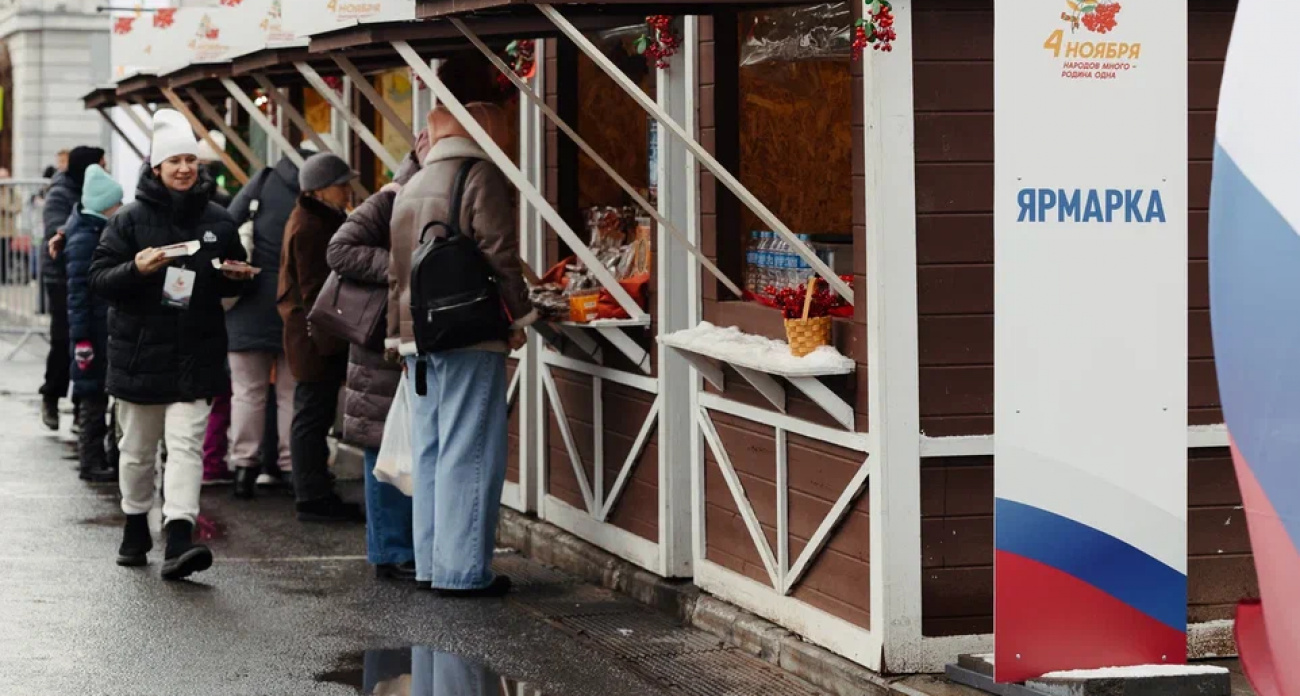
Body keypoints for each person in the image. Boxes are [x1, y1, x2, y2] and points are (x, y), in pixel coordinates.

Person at [89, 109, 254, 580]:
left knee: (185, 447)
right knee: (137, 451)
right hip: (139, 356)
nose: (184, 168)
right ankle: (135, 523)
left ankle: (179, 536)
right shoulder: (128, 221)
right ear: (156, 168)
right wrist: (135, 270)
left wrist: (236, 278)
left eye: (190, 160)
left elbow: (230, 275)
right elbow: (98, 279)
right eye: (174, 161)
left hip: (195, 353)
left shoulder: (220, 220)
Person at [388, 103, 535, 596]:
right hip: (467, 331)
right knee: (469, 450)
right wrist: (522, 316)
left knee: (430, 450)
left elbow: (395, 275)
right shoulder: (479, 176)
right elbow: (501, 256)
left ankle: (432, 563)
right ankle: (463, 571)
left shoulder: (411, 184)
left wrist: (397, 339)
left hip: (418, 338)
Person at [327, 136, 428, 581]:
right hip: (375, 346)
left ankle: (399, 547)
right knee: (381, 444)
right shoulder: (390, 197)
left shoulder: (431, 190)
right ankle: (389, 549)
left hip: (403, 337)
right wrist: (399, 266)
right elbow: (339, 249)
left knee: (400, 443)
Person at [278, 152, 362, 522]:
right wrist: (332, 339)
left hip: (313, 334)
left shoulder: (316, 218)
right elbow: (315, 290)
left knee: (313, 413)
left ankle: (313, 489)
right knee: (312, 414)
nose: (347, 191)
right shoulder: (312, 225)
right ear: (320, 190)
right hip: (316, 337)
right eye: (341, 185)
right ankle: (312, 496)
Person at [224, 150, 309, 497]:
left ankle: (244, 467)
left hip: (249, 304)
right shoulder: (314, 191)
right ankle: (291, 468)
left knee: (247, 392)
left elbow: (229, 223)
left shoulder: (261, 181)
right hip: (296, 305)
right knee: (291, 393)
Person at [40, 146, 105, 431]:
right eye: (101, 164)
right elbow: (56, 229)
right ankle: (51, 396)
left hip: (89, 271)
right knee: (63, 338)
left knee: (87, 341)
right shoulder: (60, 193)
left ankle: (82, 406)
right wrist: (82, 223)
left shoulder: (96, 188)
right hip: (61, 276)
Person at [64, 164, 122, 484]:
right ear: (103, 206)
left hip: (102, 330)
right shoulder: (85, 240)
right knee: (92, 396)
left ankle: (105, 456)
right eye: (116, 203)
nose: (120, 208)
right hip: (92, 335)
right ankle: (91, 459)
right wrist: (82, 339)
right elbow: (77, 297)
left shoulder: (93, 232)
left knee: (101, 393)